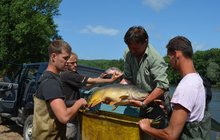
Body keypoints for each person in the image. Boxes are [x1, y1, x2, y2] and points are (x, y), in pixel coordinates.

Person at [139, 36, 211, 139]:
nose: (169, 61)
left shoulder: (186, 85)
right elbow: (191, 116)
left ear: (176, 54)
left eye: (169, 57)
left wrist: (146, 127)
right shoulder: (197, 79)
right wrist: (169, 110)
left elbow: (170, 135)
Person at [60, 52, 123, 140]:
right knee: (70, 136)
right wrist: (110, 80)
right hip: (69, 112)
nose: (76, 65)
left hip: (73, 111)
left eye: (76, 62)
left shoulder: (72, 74)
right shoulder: (67, 74)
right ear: (66, 63)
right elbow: (90, 80)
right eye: (73, 63)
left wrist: (100, 78)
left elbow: (85, 85)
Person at [32, 40, 87, 140]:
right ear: (53, 57)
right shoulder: (51, 82)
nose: (67, 62)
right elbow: (64, 117)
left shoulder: (46, 76)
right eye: (65, 58)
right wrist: (79, 102)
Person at [120, 26, 170, 128]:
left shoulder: (155, 59)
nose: (132, 51)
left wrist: (144, 103)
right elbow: (127, 79)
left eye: (136, 48)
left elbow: (162, 86)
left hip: (156, 102)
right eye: (130, 48)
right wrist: (117, 93)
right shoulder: (128, 53)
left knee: (156, 132)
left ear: (145, 42)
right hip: (138, 97)